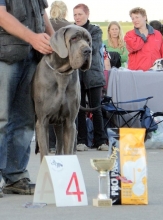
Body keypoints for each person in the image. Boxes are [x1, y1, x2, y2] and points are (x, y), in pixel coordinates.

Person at [0, 0, 54, 198]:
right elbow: (1, 14)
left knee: (25, 120)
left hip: (32, 58)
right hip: (4, 55)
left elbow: (42, 15)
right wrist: (32, 38)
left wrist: (55, 41)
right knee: (1, 119)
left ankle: (15, 177)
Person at [73, 4, 108, 151]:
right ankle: (81, 141)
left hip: (93, 74)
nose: (77, 17)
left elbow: (92, 49)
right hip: (77, 75)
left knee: (96, 108)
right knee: (79, 109)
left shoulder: (95, 30)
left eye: (80, 14)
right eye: (75, 15)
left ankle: (101, 141)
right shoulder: (72, 31)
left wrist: (78, 49)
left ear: (87, 14)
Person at [48, 0, 71, 153]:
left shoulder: (45, 25)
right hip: (67, 74)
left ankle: (48, 144)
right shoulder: (69, 27)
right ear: (64, 12)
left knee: (45, 114)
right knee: (67, 117)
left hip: (47, 73)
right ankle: (65, 148)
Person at [124, 7, 163, 71]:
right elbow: (134, 47)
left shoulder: (157, 34)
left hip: (155, 73)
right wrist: (143, 35)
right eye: (132, 18)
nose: (134, 20)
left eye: (137, 17)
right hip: (136, 73)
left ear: (144, 17)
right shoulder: (129, 35)